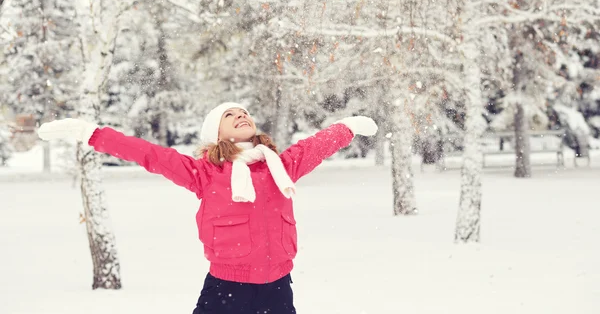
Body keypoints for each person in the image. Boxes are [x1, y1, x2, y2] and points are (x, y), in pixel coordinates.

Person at [38, 102, 378, 313]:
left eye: (244, 113)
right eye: (230, 115)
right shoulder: (205, 173)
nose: (241, 116)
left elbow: (313, 147)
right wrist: (92, 133)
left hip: (277, 285)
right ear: (217, 135)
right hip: (227, 287)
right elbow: (149, 154)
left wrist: (344, 128)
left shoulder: (279, 166)